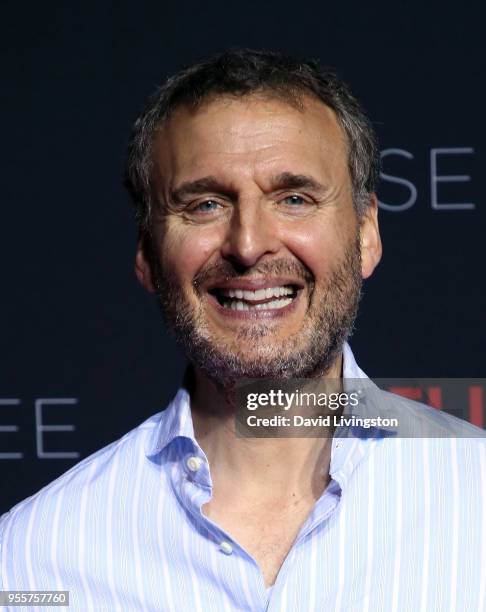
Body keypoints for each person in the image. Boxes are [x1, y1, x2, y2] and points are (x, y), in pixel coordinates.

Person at [1, 49, 485, 612]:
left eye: (295, 198)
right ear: (147, 254)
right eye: (205, 204)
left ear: (367, 232)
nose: (250, 244)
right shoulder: (31, 561)